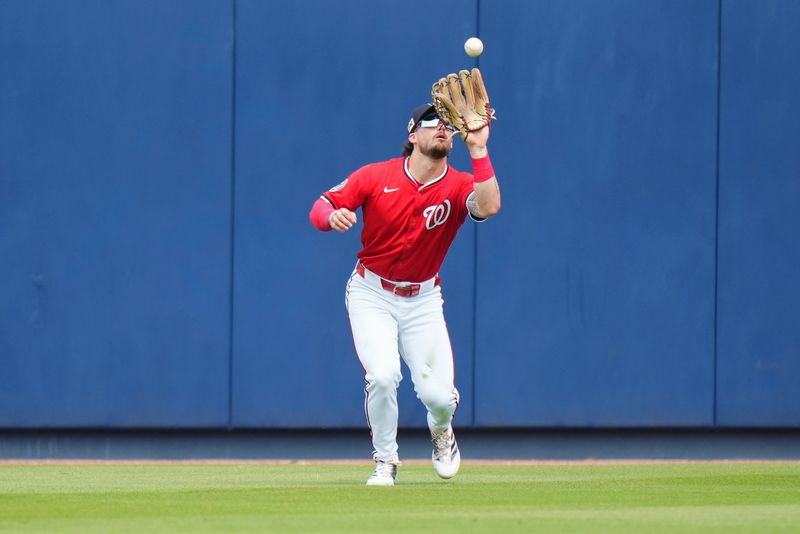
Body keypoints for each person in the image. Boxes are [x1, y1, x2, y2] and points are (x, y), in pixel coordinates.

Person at [309, 103, 501, 486]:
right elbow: (321, 206)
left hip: (424, 300)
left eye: (448, 124)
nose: (443, 127)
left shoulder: (460, 183)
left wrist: (479, 149)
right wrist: (332, 218)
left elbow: (490, 206)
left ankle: (442, 429)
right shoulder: (376, 176)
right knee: (382, 376)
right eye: (433, 122)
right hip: (371, 292)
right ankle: (385, 462)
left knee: (439, 398)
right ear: (413, 135)